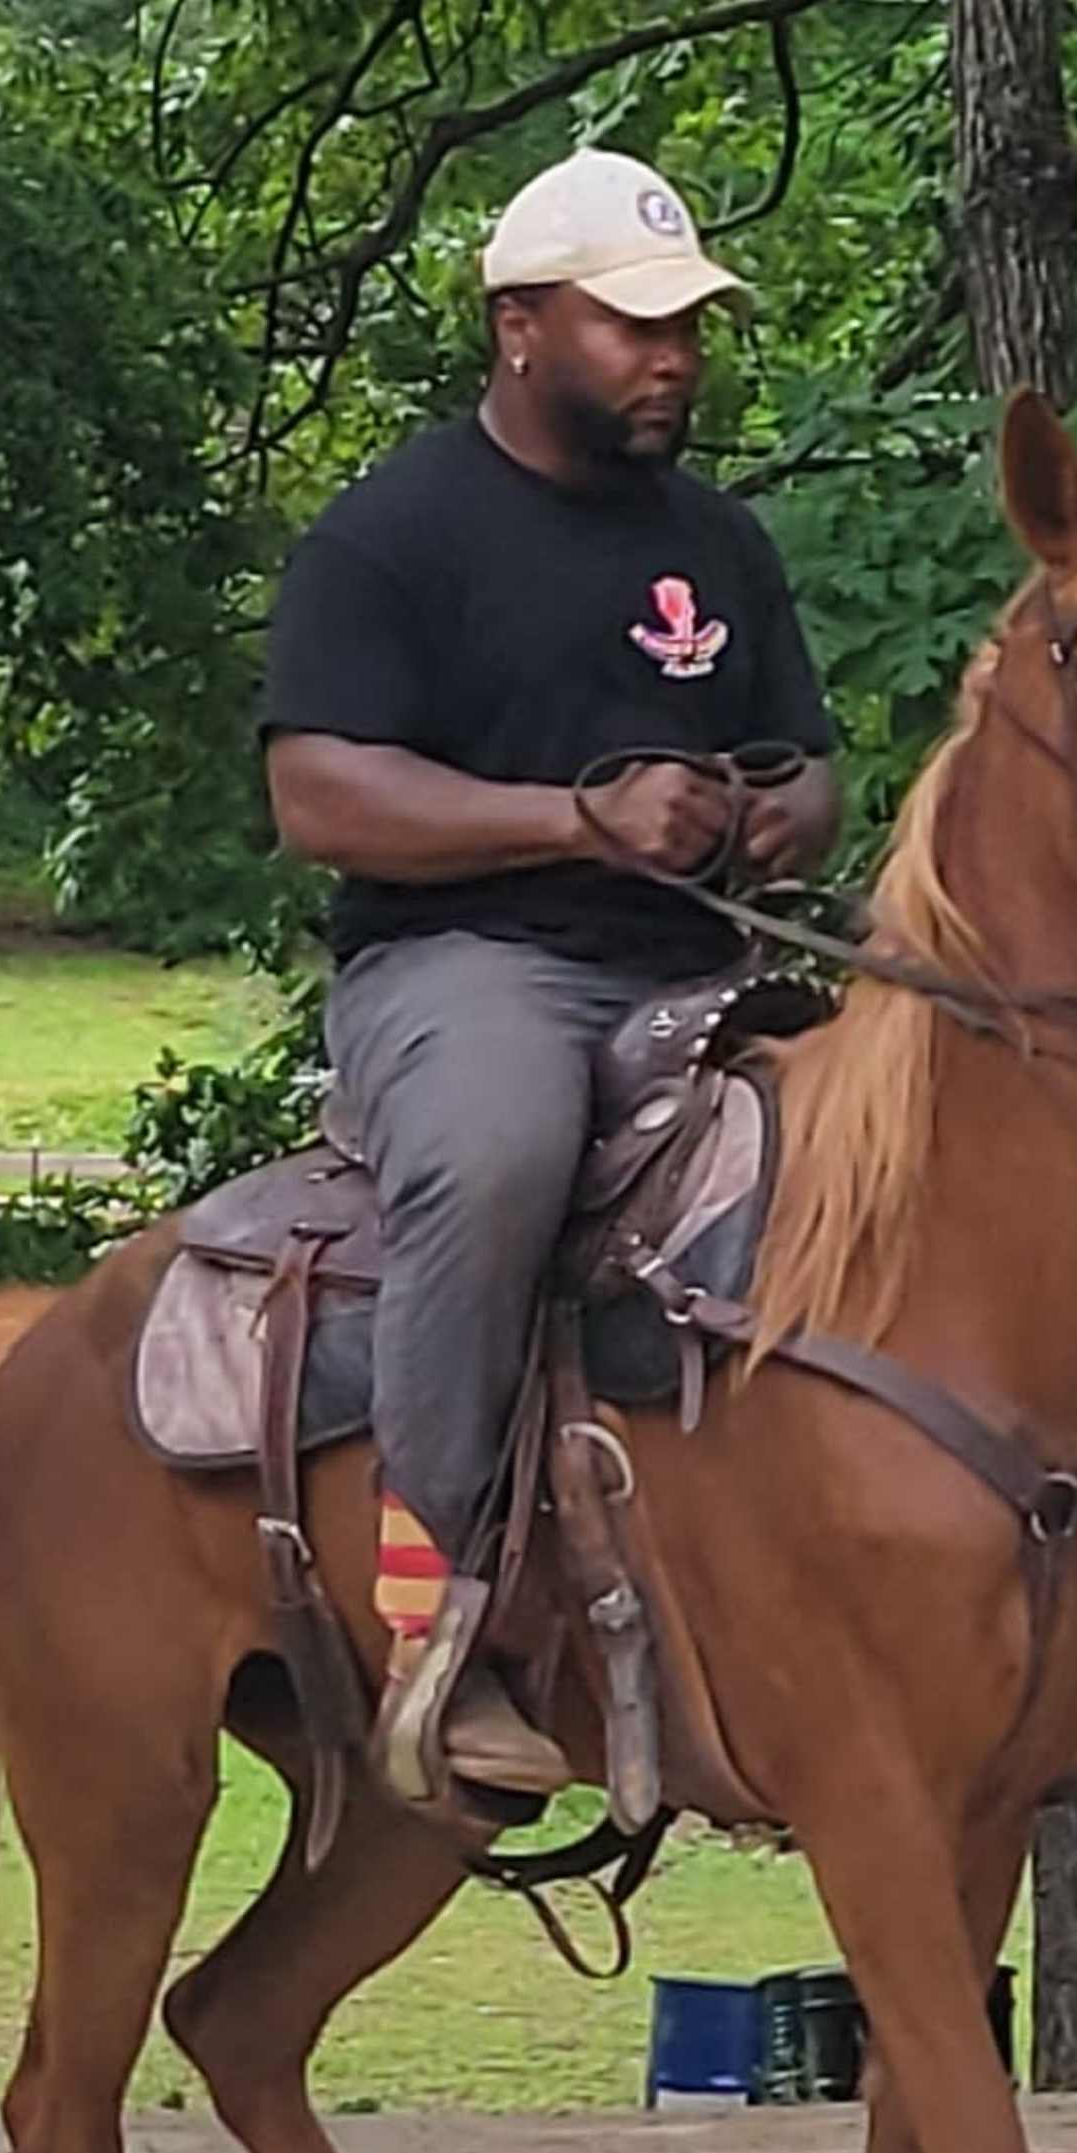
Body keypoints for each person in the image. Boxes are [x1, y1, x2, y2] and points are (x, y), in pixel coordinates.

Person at [260, 144, 842, 1807]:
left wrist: (784, 807)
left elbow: (807, 762)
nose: (673, 360)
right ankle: (442, 1624)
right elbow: (318, 794)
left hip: (709, 965)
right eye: (633, 327)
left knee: (913, 1129)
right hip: (469, 965)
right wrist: (578, 819)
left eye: (689, 332)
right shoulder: (395, 534)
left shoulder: (717, 542)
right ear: (519, 326)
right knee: (498, 1150)